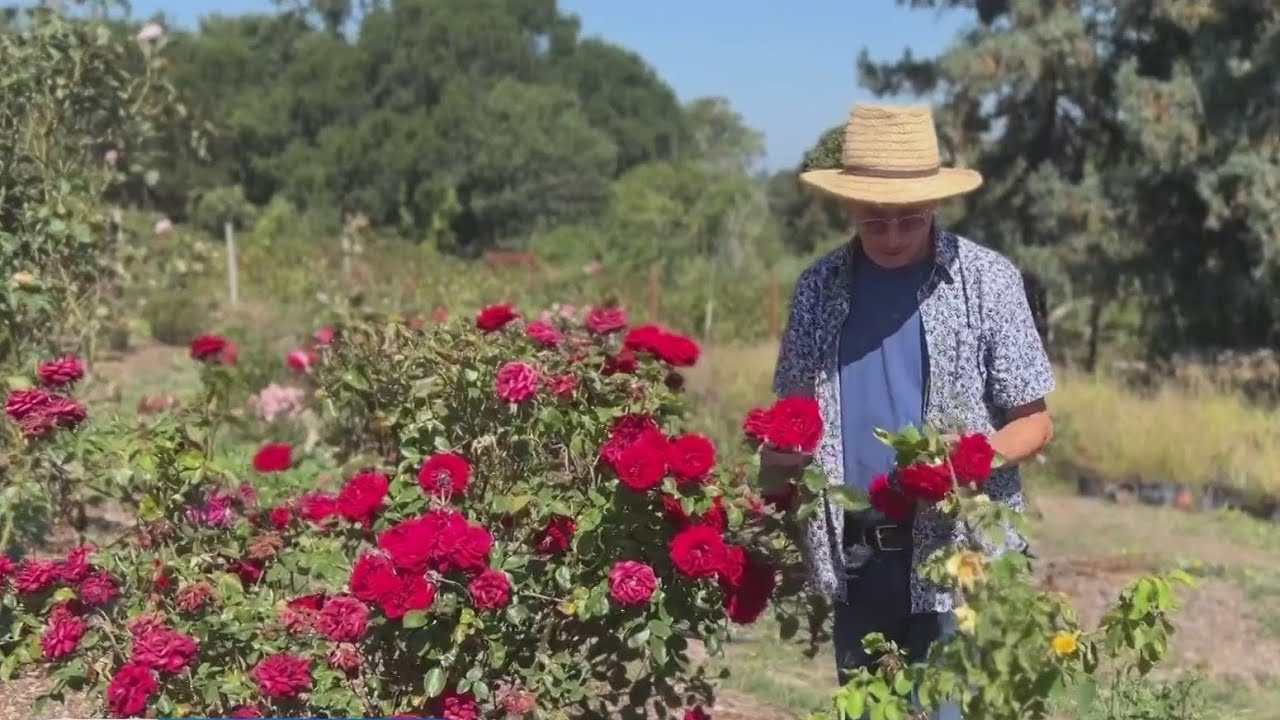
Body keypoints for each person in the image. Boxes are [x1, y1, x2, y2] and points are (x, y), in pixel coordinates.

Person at [764, 104, 1055, 719]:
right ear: (848, 210)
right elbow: (791, 412)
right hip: (860, 549)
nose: (893, 236)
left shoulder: (987, 281)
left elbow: (1036, 420)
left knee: (953, 707)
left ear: (937, 205)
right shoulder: (818, 287)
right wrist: (777, 468)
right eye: (876, 222)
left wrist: (975, 457)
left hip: (961, 550)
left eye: (911, 220)